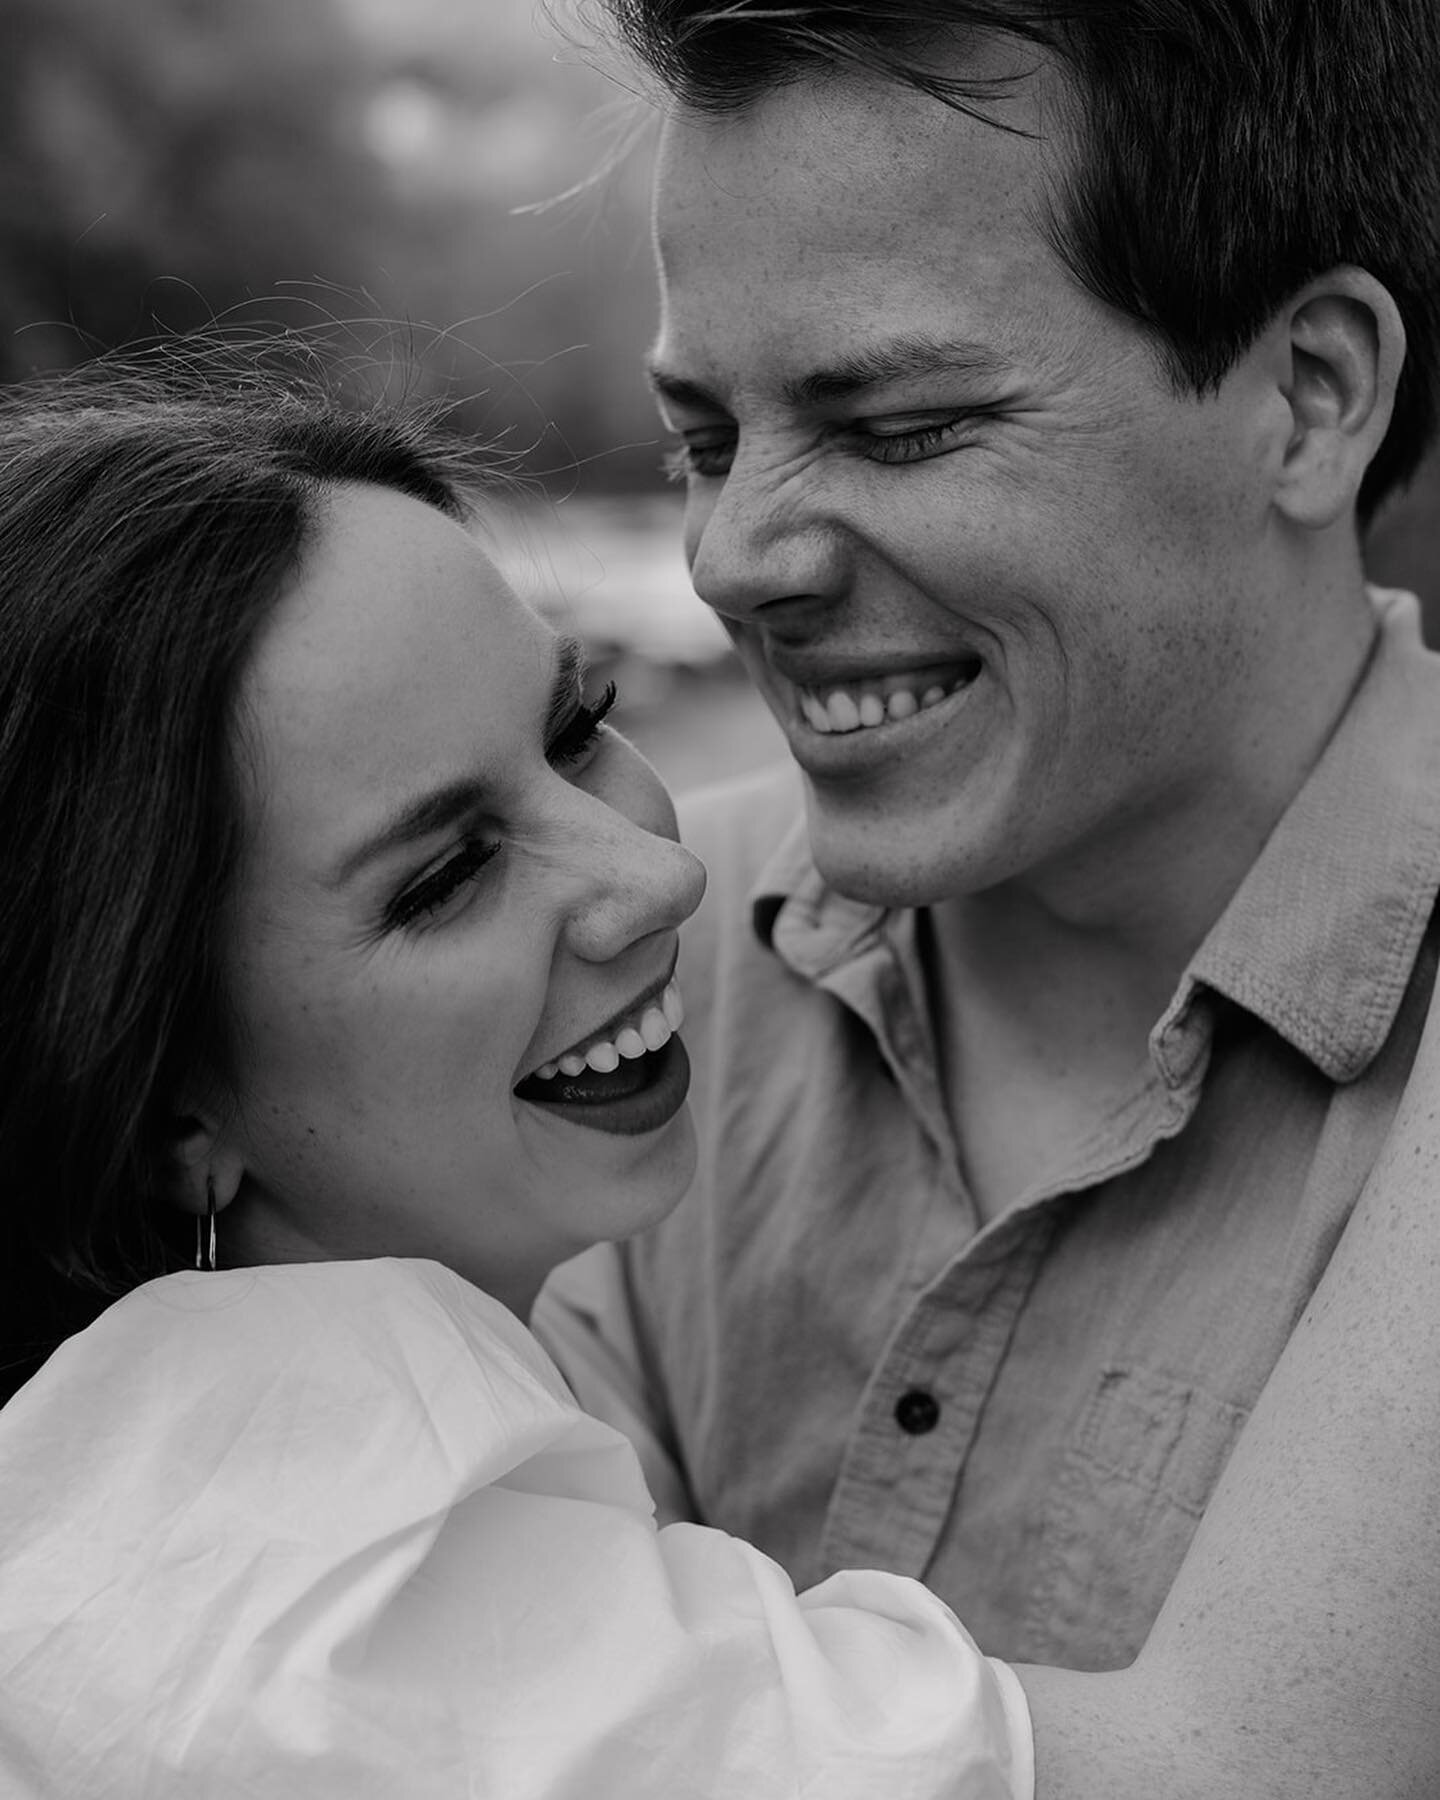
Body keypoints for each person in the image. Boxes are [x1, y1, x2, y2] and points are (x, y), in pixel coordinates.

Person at [536, 1, 1440, 1791]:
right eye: (705, 438)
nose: (734, 562)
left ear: (1313, 396)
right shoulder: (609, 966)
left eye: (901, 427)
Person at [0, 355, 1033, 1797]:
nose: (659, 872)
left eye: (575, 730)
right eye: (446, 875)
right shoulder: (327, 1573)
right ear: (169, 1107)